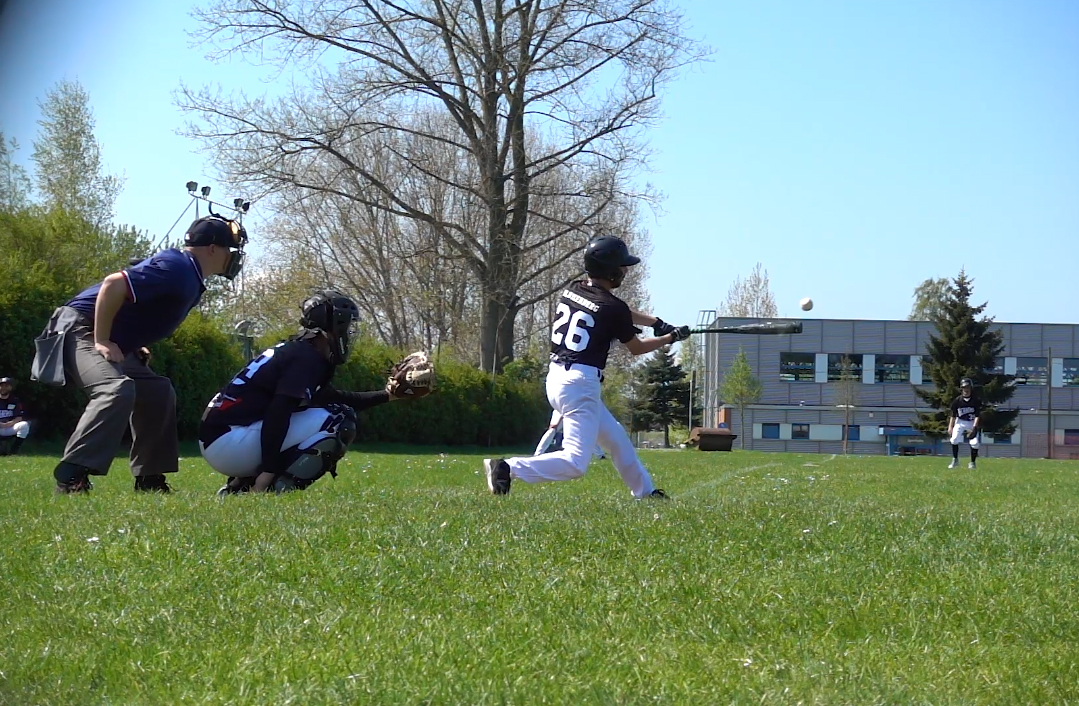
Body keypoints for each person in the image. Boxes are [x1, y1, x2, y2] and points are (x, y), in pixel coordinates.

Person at [48, 215, 248, 494]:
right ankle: (71, 475)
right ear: (212, 248)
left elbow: (136, 306)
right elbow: (112, 285)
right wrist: (103, 338)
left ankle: (150, 480)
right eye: (229, 249)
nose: (232, 257)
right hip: (78, 328)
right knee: (115, 389)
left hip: (105, 334)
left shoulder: (188, 272)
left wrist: (133, 340)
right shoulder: (177, 267)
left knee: (157, 391)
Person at [483, 235, 690, 498]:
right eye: (621, 266)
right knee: (575, 464)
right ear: (610, 270)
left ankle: (646, 493)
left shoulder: (575, 288)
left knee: (617, 442)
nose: (624, 271)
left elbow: (619, 313)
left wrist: (656, 322)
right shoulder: (612, 307)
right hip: (579, 384)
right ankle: (507, 468)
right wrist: (669, 338)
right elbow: (636, 348)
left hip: (558, 378)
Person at [199, 290, 428, 494]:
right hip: (229, 441)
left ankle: (241, 486)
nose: (349, 333)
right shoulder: (306, 358)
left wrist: (389, 395)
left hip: (222, 438)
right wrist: (268, 471)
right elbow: (278, 413)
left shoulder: (299, 351)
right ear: (334, 325)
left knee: (335, 411)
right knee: (339, 420)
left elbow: (331, 398)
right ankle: (266, 487)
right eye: (346, 326)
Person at [534, 411, 605, 460]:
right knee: (552, 430)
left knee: (585, 430)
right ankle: (538, 454)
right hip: (562, 408)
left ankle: (600, 455)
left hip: (574, 410)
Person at [948, 377, 981, 469]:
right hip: (960, 421)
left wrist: (974, 427)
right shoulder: (957, 400)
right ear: (961, 389)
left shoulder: (975, 400)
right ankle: (955, 460)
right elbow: (953, 415)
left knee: (974, 443)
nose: (966, 390)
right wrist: (950, 426)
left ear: (971, 388)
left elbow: (978, 415)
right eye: (964, 387)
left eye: (967, 387)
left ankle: (972, 463)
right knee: (954, 439)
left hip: (971, 422)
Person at [0, 377, 30, 456]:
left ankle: (13, 451)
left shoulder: (15, 400)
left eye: (6, 386)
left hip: (10, 426)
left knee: (24, 425)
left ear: (11, 387)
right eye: (2, 386)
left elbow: (19, 416)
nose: (3, 388)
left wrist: (10, 423)